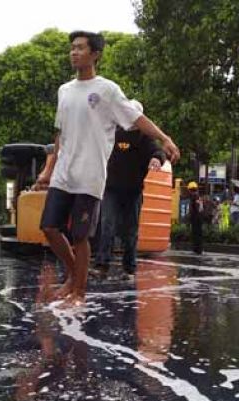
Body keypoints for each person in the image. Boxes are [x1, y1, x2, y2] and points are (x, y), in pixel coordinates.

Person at [33, 31, 180, 308]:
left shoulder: (107, 90)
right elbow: (59, 134)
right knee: (50, 228)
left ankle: (79, 292)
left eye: (80, 48)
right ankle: (75, 275)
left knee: (80, 236)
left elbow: (137, 118)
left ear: (95, 54)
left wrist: (165, 138)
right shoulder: (64, 91)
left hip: (90, 176)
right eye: (72, 48)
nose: (73, 52)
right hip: (64, 173)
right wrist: (48, 169)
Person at [92, 100, 167, 280]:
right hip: (111, 190)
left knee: (130, 230)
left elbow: (159, 152)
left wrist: (157, 159)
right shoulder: (113, 134)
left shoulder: (144, 138)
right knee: (107, 225)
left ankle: (129, 269)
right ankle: (102, 265)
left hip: (133, 192)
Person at [187, 182, 204, 254]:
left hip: (196, 218)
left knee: (196, 234)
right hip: (199, 217)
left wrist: (191, 216)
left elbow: (197, 208)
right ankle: (197, 249)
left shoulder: (194, 196)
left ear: (190, 190)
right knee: (198, 233)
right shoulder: (198, 196)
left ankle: (197, 250)